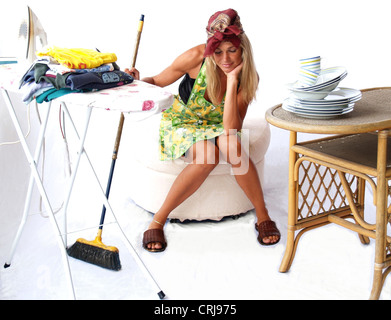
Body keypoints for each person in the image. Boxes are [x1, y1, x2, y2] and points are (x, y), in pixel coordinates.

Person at [125, 9, 280, 252]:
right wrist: (134, 81)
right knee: (207, 155)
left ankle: (263, 216)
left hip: (221, 124)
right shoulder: (196, 57)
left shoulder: (248, 77)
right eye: (218, 51)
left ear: (243, 49)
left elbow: (231, 128)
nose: (225, 58)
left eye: (232, 50)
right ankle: (158, 220)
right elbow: (156, 81)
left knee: (233, 146)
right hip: (185, 121)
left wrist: (231, 83)